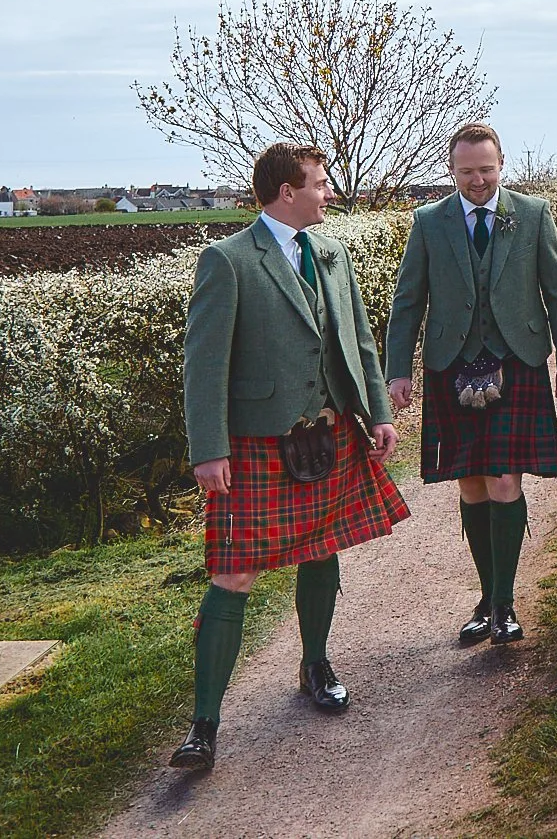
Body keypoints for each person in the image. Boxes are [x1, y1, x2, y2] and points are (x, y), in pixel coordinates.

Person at [173, 142, 409, 771]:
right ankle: (204, 726)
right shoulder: (228, 262)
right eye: (320, 183)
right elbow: (204, 365)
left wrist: (377, 413)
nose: (329, 191)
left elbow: (357, 336)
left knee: (322, 547)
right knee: (235, 574)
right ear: (287, 192)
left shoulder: (330, 251)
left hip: (328, 431)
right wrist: (208, 450)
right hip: (258, 443)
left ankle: (315, 664)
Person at [385, 122, 557, 646]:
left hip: (517, 361)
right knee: (470, 483)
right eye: (468, 171)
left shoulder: (534, 214)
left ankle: (504, 602)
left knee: (503, 481)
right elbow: (408, 301)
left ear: (501, 165)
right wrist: (398, 369)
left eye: (487, 169)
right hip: (451, 364)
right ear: (452, 169)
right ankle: (486, 593)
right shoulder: (429, 222)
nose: (478, 180)